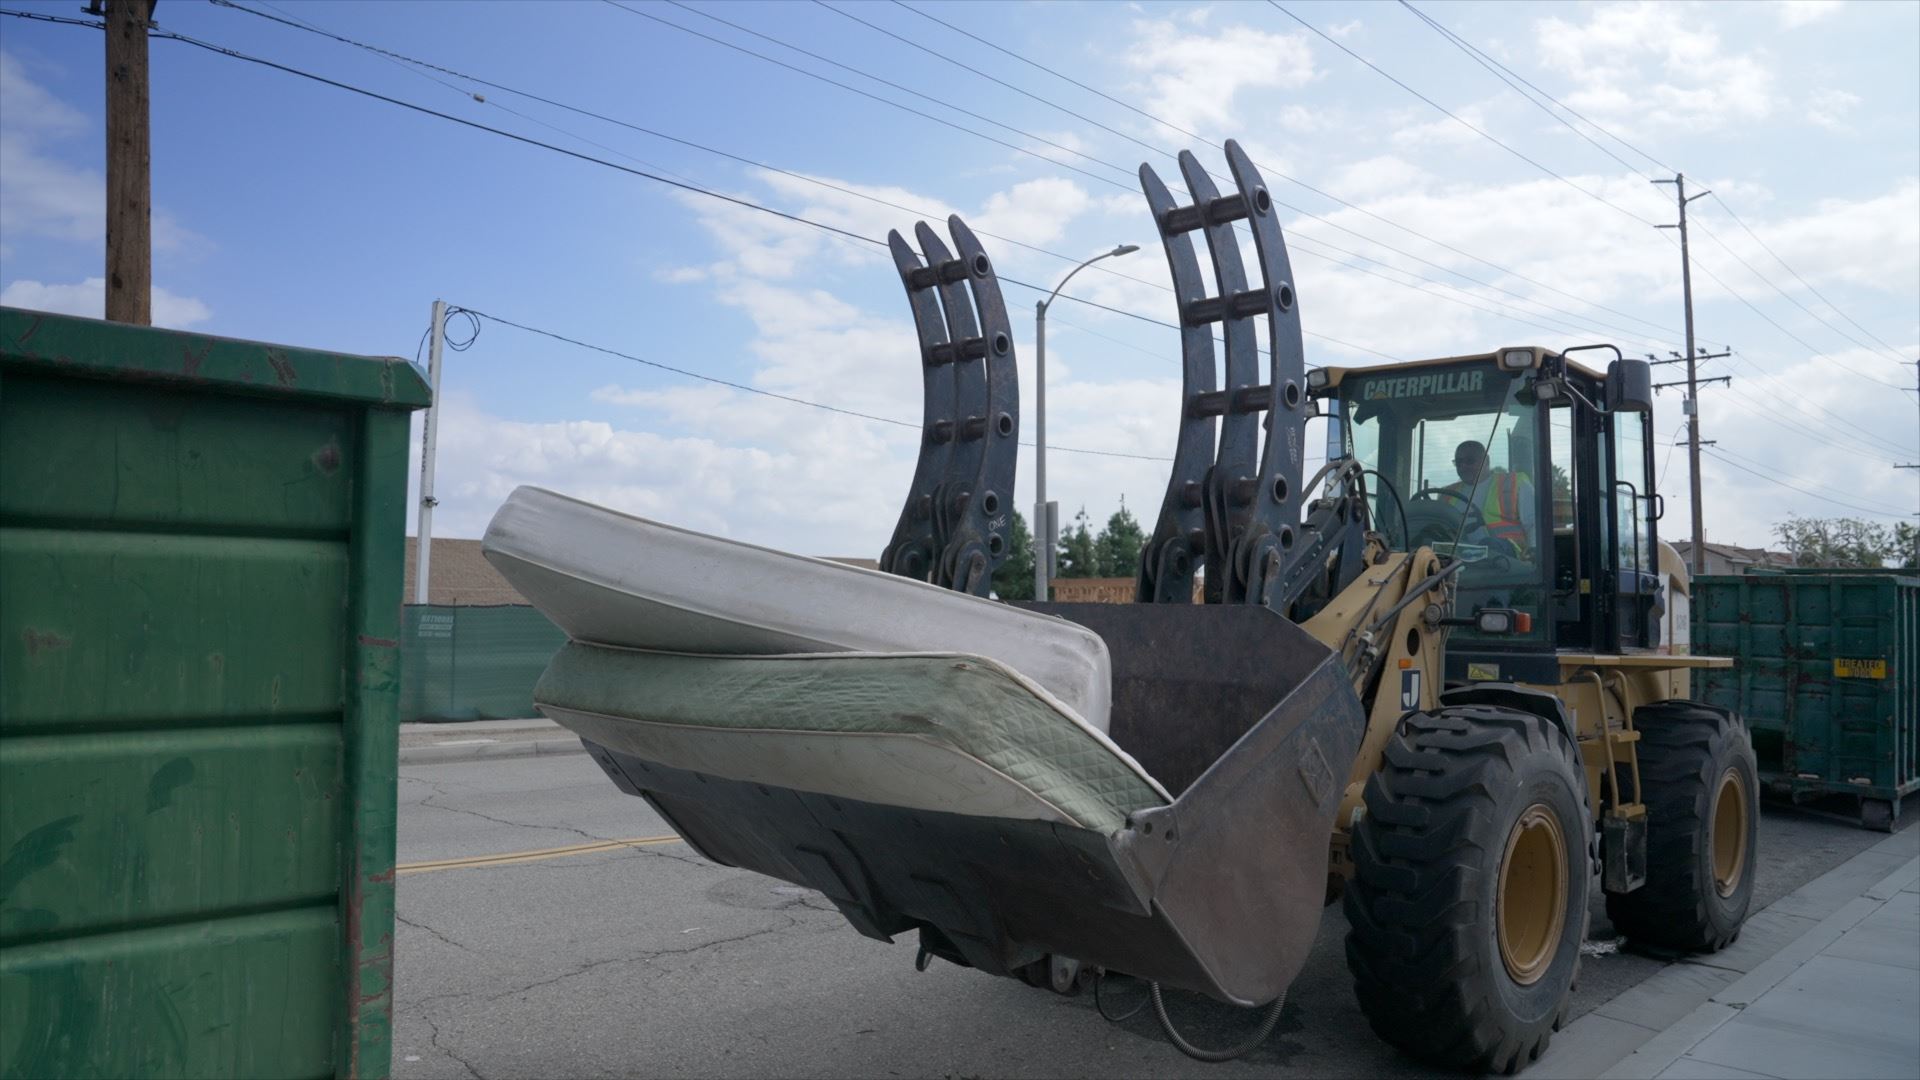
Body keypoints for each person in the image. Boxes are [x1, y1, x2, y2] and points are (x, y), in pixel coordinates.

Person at [1448, 439, 1534, 556]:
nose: (1463, 466)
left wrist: (1534, 553)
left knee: (1490, 545)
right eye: (1458, 462)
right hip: (1456, 560)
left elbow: (1534, 524)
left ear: (1486, 461)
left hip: (1508, 561)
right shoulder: (1447, 494)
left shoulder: (1514, 483)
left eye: (1470, 461)